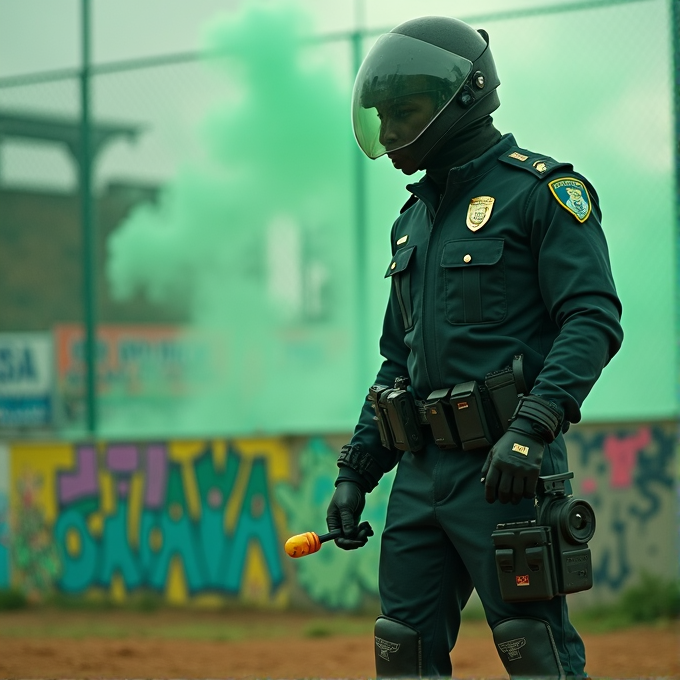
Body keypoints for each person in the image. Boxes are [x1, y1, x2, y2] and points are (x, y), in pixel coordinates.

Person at [325, 15, 623, 680]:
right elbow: (396, 362)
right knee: (401, 653)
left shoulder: (542, 194)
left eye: (406, 112)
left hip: (506, 470)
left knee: (534, 649)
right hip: (420, 474)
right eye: (384, 115)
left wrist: (532, 429)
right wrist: (356, 471)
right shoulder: (412, 223)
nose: (392, 130)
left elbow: (593, 319)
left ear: (466, 95)